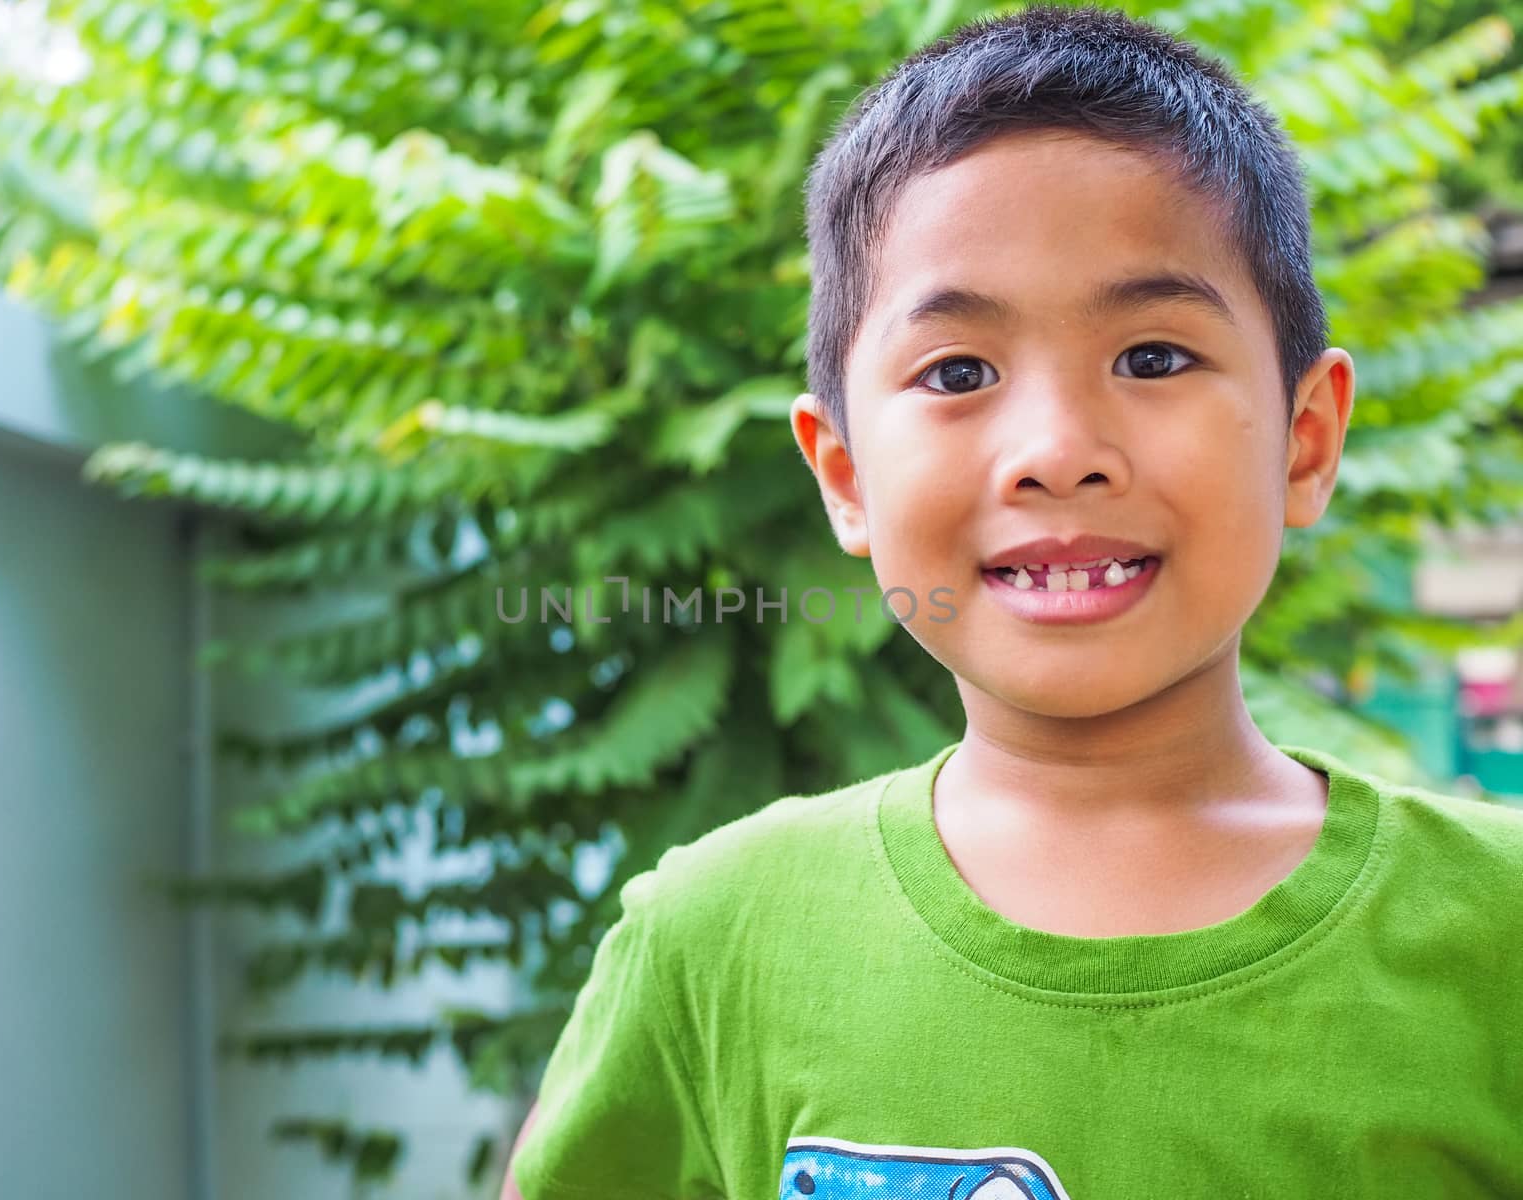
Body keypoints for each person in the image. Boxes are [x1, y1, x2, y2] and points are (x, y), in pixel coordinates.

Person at [504, 5, 1523, 1197]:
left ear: (1304, 440)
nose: (1055, 451)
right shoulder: (715, 936)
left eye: (1151, 357)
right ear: (844, 476)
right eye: (957, 373)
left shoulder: (1495, 933)